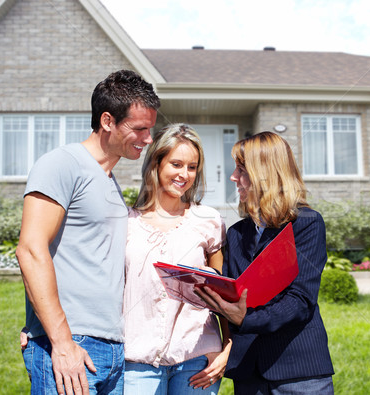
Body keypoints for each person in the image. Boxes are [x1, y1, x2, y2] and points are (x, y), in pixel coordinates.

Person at [16, 69, 160, 395]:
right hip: (73, 346)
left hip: (111, 348)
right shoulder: (62, 164)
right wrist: (59, 340)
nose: (148, 139)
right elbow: (30, 249)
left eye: (150, 129)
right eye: (139, 128)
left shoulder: (108, 181)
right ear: (107, 121)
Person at [196, 131, 335, 394]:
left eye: (241, 170)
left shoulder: (305, 223)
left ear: (265, 175)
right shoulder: (237, 234)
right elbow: (230, 289)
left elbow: (300, 301)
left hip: (298, 370)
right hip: (249, 373)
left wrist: (246, 318)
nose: (233, 178)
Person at [123, 123, 231, 394]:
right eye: (176, 164)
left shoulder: (207, 221)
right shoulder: (125, 222)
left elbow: (223, 296)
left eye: (192, 167)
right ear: (156, 163)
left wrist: (227, 348)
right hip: (137, 361)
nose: (184, 174)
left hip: (197, 360)